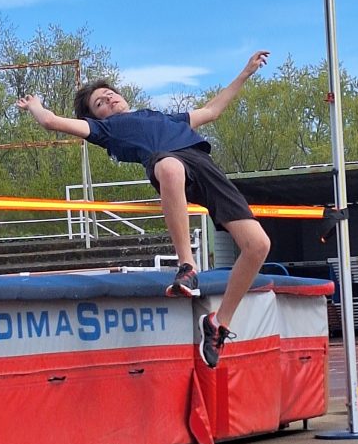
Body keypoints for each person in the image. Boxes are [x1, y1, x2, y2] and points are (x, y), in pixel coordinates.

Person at [17, 51, 272, 369]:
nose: (109, 100)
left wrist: (245, 72)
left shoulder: (164, 118)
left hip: (204, 165)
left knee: (258, 245)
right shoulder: (106, 130)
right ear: (97, 117)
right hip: (167, 161)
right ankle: (187, 266)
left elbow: (212, 110)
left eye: (109, 94)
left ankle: (218, 323)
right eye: (100, 103)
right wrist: (36, 106)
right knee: (170, 169)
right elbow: (51, 122)